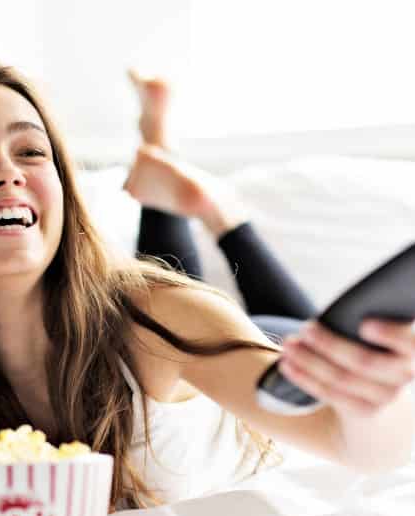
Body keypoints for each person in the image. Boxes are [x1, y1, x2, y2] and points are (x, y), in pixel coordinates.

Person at [0, 60, 415, 510]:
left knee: (303, 331)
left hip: (251, 345)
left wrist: (373, 399)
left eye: (31, 151)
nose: (7, 173)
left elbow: (353, 442)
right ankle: (162, 158)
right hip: (163, 329)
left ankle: (223, 215)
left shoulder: (161, 316)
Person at [123, 70, 317, 341]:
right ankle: (219, 211)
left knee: (171, 333)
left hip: (241, 350)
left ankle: (161, 147)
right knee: (319, 349)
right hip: (278, 350)